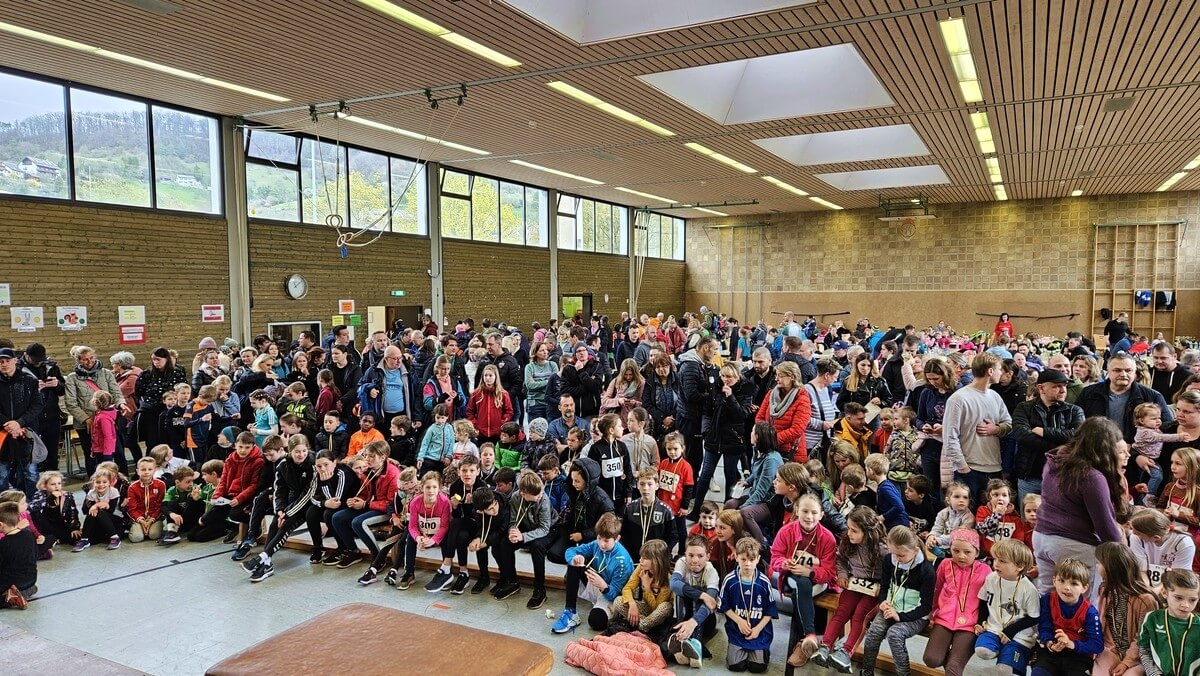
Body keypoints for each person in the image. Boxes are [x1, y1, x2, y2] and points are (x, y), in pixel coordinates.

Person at [1034, 417, 1129, 598]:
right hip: (1074, 545)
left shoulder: (1055, 462)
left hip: (1041, 537)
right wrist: (1122, 554)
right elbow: (1105, 526)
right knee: (1083, 605)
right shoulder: (1091, 476)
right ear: (1105, 447)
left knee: (1047, 599)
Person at [812, 506, 885, 671]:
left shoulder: (882, 550)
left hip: (875, 591)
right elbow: (841, 559)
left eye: (854, 530)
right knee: (842, 611)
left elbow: (892, 571)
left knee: (860, 614)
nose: (849, 533)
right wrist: (843, 575)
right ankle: (825, 646)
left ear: (867, 532)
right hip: (854, 584)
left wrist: (883, 589)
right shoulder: (847, 541)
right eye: (849, 528)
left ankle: (846, 652)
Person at [860, 525, 935, 676]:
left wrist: (900, 616)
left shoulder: (926, 571)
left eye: (900, 555)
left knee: (894, 634)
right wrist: (883, 601)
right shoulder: (890, 560)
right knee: (874, 632)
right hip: (891, 608)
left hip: (915, 615)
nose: (897, 559)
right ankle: (866, 672)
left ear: (915, 551)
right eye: (893, 553)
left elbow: (926, 607)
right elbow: (884, 586)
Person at [773, 493, 837, 667]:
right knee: (801, 586)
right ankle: (809, 636)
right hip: (791, 577)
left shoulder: (828, 538)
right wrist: (783, 563)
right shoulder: (786, 531)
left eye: (814, 512)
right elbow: (775, 557)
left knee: (802, 588)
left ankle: (805, 639)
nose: (809, 516)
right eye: (805, 511)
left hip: (819, 580)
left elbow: (830, 571)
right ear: (797, 510)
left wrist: (809, 572)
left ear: (821, 515)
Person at [942, 353, 1013, 502]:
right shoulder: (958, 399)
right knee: (966, 514)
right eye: (999, 369)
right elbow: (949, 437)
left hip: (994, 467)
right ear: (990, 371)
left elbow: (1009, 424)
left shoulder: (995, 396)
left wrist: (996, 429)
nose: (1001, 373)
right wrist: (963, 467)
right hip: (969, 469)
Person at [921, 529, 990, 676]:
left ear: (977, 552)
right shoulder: (945, 564)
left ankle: (955, 661)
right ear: (950, 549)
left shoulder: (985, 570)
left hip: (970, 625)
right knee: (931, 659)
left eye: (967, 552)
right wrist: (932, 613)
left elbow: (989, 600)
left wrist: (983, 622)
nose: (961, 556)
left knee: (953, 667)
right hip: (944, 619)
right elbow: (936, 589)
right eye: (956, 551)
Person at [551, 512, 635, 633]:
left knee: (596, 621)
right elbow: (570, 551)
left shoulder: (622, 561)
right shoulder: (596, 545)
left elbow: (616, 594)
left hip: (612, 595)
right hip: (597, 584)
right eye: (599, 538)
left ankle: (610, 613)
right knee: (574, 565)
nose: (602, 544)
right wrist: (575, 558)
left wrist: (603, 586)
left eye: (606, 540)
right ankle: (570, 612)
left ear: (617, 539)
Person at [1011, 368, 1084, 502]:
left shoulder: (1074, 411)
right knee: (1028, 514)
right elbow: (1021, 435)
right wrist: (1060, 446)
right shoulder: (1024, 408)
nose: (1063, 390)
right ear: (1041, 388)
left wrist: (1045, 431)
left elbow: (1078, 437)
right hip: (1030, 477)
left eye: (1064, 386)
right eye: (1056, 386)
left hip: (1061, 477)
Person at [973, 538, 1040, 674]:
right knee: (982, 651)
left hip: (1019, 636)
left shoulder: (1029, 589)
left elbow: (1034, 617)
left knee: (1004, 670)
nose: (996, 564)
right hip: (993, 629)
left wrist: (1010, 631)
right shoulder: (991, 578)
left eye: (1002, 561)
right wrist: (981, 621)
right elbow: (984, 601)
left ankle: (1010, 656)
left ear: (1019, 566)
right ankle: (1002, 651)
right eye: (995, 559)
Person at [1091, 541, 1158, 676]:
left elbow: (1143, 638)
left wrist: (1126, 662)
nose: (1096, 566)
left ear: (1112, 567)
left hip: (1139, 655)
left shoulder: (1145, 600)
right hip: (1109, 650)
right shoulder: (1105, 590)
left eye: (1099, 563)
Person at [330, 441, 398, 569]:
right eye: (366, 455)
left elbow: (391, 504)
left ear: (382, 457)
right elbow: (365, 493)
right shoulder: (368, 470)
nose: (367, 459)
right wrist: (357, 500)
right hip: (371, 505)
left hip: (388, 510)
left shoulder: (393, 474)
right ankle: (353, 551)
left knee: (358, 523)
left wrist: (365, 504)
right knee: (337, 517)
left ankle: (378, 557)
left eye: (372, 456)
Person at [1077, 353, 1172, 445]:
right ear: (1108, 371)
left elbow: (1167, 426)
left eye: (1128, 370)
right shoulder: (1089, 393)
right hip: (1096, 449)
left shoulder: (1152, 396)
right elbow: (1078, 425)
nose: (1123, 374)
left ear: (1134, 372)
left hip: (1136, 452)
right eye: (1117, 370)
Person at [1032, 558, 1104, 676]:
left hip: (1078, 657)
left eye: (1074, 583)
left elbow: (1097, 645)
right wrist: (1049, 642)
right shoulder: (1047, 600)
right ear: (1054, 581)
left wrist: (1071, 644)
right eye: (1062, 581)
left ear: (1084, 588)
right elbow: (1044, 627)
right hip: (1051, 653)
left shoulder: (1090, 612)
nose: (1066, 587)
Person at [717, 537, 777, 673]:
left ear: (758, 559)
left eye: (751, 559)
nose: (748, 564)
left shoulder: (764, 582)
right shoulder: (730, 580)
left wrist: (757, 629)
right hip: (737, 631)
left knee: (757, 668)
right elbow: (723, 605)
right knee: (736, 667)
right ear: (736, 557)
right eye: (743, 559)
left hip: (760, 631)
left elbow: (770, 610)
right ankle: (738, 650)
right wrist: (739, 621)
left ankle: (762, 650)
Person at [664, 534, 720, 668]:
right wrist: (702, 595)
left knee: (697, 592)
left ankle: (696, 642)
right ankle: (681, 639)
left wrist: (693, 622)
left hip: (705, 620)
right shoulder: (682, 563)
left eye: (700, 556)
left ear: (708, 556)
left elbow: (710, 605)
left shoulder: (711, 572)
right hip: (685, 617)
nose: (695, 560)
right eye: (691, 555)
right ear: (685, 555)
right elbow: (674, 584)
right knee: (681, 591)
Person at [1137, 569, 1199, 676]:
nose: (1185, 605)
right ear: (1164, 593)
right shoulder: (1152, 619)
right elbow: (1144, 650)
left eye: (1192, 600)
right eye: (1179, 598)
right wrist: (1154, 673)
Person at [608, 539, 675, 635]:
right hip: (646, 607)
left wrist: (647, 587)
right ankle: (642, 624)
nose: (640, 560)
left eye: (645, 558)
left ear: (656, 561)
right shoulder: (641, 568)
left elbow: (656, 608)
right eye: (641, 557)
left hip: (659, 614)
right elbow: (627, 588)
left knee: (665, 607)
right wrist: (632, 604)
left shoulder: (668, 578)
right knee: (618, 601)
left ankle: (641, 625)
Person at [18, 344, 64, 472]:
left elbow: (62, 390)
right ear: (26, 355)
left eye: (40, 359)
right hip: (30, 417)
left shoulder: (51, 367)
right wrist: (33, 389)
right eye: (35, 360)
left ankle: (53, 477)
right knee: (31, 452)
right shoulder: (18, 369)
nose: (38, 362)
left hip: (51, 414)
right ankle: (32, 480)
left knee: (52, 450)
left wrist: (57, 384)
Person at [678, 336, 720, 475]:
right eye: (715, 349)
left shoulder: (697, 364)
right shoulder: (691, 366)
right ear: (705, 348)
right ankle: (690, 485)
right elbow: (691, 395)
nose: (716, 353)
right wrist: (711, 397)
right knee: (693, 457)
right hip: (689, 419)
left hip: (692, 417)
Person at [754, 361, 810, 462]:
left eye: (780, 376)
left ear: (791, 377)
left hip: (789, 452)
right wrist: (765, 437)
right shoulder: (771, 394)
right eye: (776, 375)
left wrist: (772, 440)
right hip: (768, 448)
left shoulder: (802, 398)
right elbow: (760, 418)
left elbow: (797, 429)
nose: (776, 379)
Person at [1128, 509, 1195, 591]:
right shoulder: (1136, 538)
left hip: (1172, 587)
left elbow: (1177, 578)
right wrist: (1147, 591)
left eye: (1137, 533)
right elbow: (1142, 571)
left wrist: (1155, 593)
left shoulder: (1184, 543)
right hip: (1148, 584)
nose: (1133, 534)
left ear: (1156, 537)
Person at [135, 347, 187, 452]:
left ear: (166, 359)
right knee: (152, 441)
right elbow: (139, 391)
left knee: (170, 440)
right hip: (151, 412)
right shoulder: (147, 373)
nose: (155, 362)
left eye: (158, 359)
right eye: (153, 359)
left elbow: (182, 388)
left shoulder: (177, 372)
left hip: (171, 411)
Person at [0, 502, 36, 609]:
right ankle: (26, 590)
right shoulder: (28, 534)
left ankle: (9, 598)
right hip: (31, 579)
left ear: (1, 524)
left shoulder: (3, 543)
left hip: (11, 582)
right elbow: (35, 554)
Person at [79, 468, 123, 551]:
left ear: (110, 482)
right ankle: (84, 539)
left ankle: (114, 537)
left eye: (104, 482)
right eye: (98, 482)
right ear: (93, 483)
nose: (101, 485)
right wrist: (95, 506)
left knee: (101, 513)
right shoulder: (91, 493)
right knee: (92, 513)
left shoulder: (113, 491)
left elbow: (111, 510)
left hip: (115, 519)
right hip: (100, 521)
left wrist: (100, 505)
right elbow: (86, 511)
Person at [125, 457, 165, 543]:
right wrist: (140, 520)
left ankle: (155, 526)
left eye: (150, 469)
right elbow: (131, 508)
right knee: (136, 538)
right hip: (138, 518)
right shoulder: (132, 487)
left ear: (154, 470)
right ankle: (136, 527)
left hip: (154, 517)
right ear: (137, 471)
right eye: (143, 469)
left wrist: (152, 519)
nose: (146, 472)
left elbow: (160, 505)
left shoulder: (161, 485)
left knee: (154, 535)